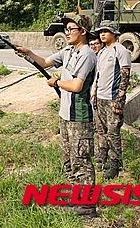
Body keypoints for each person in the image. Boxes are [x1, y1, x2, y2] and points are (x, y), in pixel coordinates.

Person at [15, 14, 97, 217]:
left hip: (79, 116)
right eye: (67, 29)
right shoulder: (68, 51)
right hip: (65, 114)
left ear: (83, 32)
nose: (67, 32)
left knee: (81, 160)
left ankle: (87, 205)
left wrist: (56, 83)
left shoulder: (87, 54)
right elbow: (44, 63)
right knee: (68, 159)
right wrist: (28, 53)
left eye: (71, 29)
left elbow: (77, 86)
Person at [92, 20, 131, 180]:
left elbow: (125, 75)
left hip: (113, 98)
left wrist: (119, 100)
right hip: (100, 97)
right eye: (101, 31)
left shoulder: (120, 50)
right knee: (100, 130)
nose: (102, 34)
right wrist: (94, 92)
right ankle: (102, 156)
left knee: (113, 132)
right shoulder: (102, 51)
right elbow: (99, 74)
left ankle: (116, 163)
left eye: (106, 31)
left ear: (114, 33)